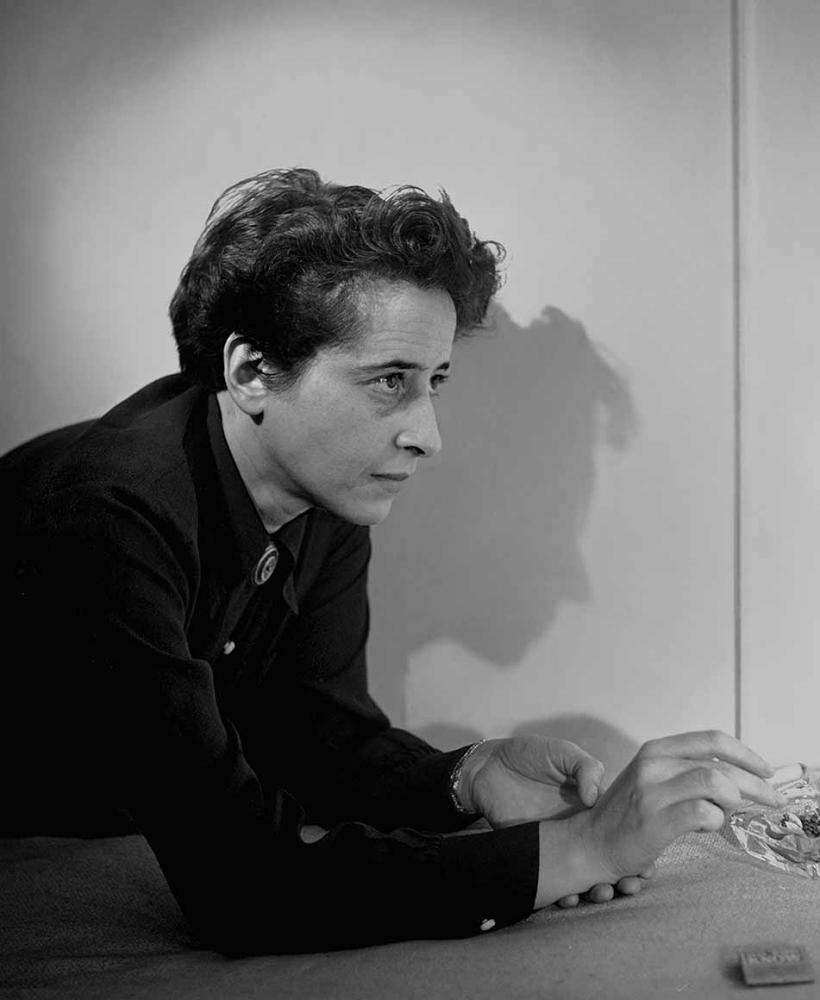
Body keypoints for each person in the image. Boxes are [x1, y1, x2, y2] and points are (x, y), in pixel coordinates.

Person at [1, 167, 784, 954]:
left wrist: (466, 776)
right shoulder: (107, 516)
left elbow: (317, 737)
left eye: (434, 381)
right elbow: (241, 889)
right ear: (250, 372)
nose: (427, 434)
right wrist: (579, 851)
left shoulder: (323, 491)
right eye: (388, 382)